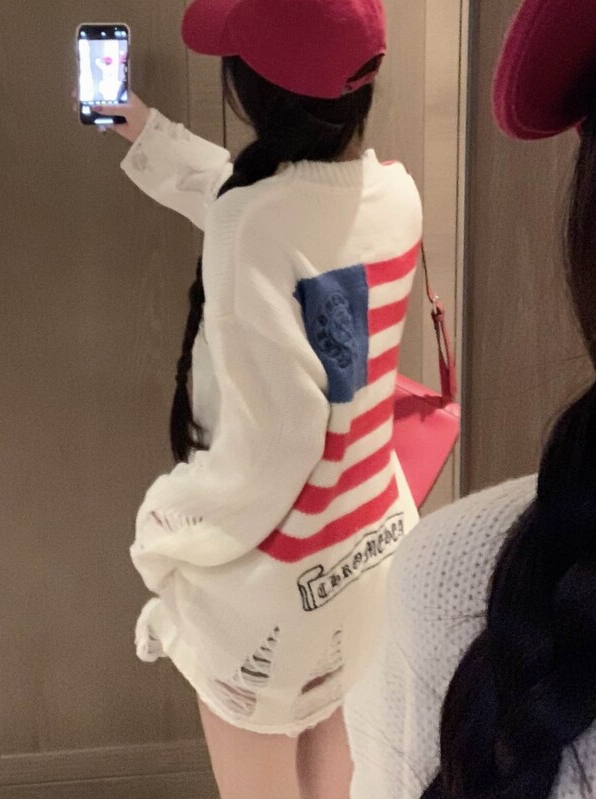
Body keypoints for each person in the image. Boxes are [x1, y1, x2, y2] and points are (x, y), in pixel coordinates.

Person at [96, 1, 422, 796]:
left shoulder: (253, 226)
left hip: (268, 597)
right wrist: (142, 127)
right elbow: (281, 211)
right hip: (363, 568)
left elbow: (270, 453)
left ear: (254, 89)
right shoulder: (394, 198)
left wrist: (162, 527)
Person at [344, 0, 596, 797]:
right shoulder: (395, 195)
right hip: (370, 508)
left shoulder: (457, 584)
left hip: (289, 557)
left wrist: (170, 541)